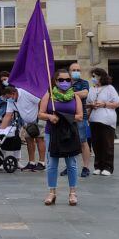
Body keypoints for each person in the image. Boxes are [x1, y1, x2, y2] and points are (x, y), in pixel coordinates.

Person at [38, 68, 84, 206]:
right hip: (52, 132)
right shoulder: (49, 95)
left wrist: (64, 118)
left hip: (70, 132)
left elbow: (80, 116)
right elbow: (40, 114)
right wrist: (50, 116)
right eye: (61, 80)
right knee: (52, 163)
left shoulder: (75, 97)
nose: (65, 82)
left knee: (72, 164)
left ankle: (72, 193)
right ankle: (52, 192)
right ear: (55, 81)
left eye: (68, 80)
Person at [86, 67, 119, 175]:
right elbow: (87, 103)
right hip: (94, 119)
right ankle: (98, 166)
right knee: (96, 144)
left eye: (95, 76)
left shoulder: (109, 88)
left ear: (101, 77)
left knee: (107, 144)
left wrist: (104, 104)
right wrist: (92, 106)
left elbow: (118, 103)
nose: (93, 78)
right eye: (92, 76)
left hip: (107, 120)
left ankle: (108, 167)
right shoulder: (92, 89)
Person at [67, 62, 93, 177]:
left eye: (78, 70)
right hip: (67, 116)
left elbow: (84, 93)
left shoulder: (84, 83)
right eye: (74, 70)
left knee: (83, 141)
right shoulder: (65, 82)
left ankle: (86, 167)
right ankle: (70, 166)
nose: (76, 72)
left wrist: (68, 94)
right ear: (69, 71)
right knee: (68, 141)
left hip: (80, 117)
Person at [14, 86, 46, 171]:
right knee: (28, 140)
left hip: (38, 118)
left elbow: (40, 101)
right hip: (28, 121)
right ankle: (31, 162)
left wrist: (40, 113)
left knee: (39, 139)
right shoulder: (13, 99)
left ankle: (42, 162)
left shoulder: (26, 92)